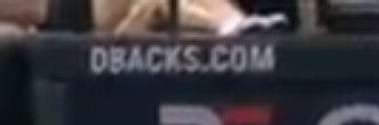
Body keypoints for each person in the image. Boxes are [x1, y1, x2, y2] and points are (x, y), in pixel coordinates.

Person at [93, 0, 287, 36]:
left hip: (198, 38)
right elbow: (107, 21)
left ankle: (235, 24)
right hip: (127, 33)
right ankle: (231, 23)